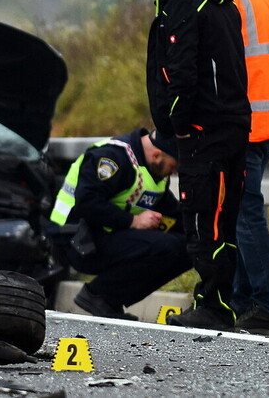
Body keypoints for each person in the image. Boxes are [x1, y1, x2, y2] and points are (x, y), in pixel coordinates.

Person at [142, 0, 251, 331]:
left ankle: (215, 306)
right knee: (221, 218)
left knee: (206, 221)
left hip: (205, 134)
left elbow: (181, 78)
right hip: (232, 125)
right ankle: (217, 300)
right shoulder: (220, 3)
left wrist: (175, 126)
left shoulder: (182, 7)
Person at [199, 0, 269, 337]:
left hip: (241, 122)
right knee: (238, 213)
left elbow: (217, 66)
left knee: (245, 215)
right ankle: (242, 302)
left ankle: (267, 306)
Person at [50, 128, 190, 320]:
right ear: (157, 155)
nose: (174, 172)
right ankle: (99, 296)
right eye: (174, 166)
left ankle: (108, 301)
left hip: (105, 236)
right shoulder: (111, 158)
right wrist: (133, 220)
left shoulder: (152, 171)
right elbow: (88, 203)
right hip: (75, 240)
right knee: (167, 246)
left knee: (187, 248)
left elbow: (173, 214)